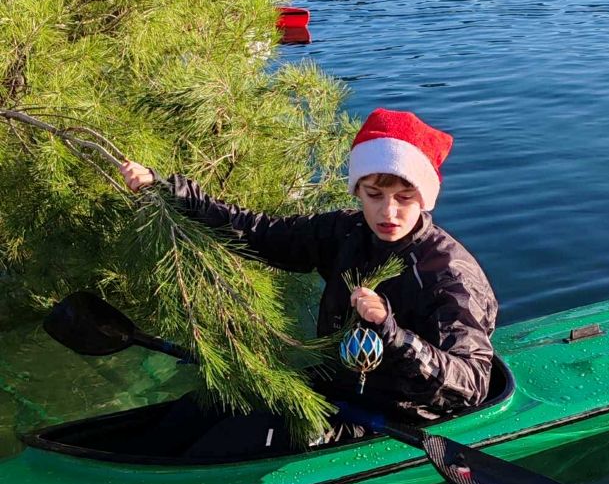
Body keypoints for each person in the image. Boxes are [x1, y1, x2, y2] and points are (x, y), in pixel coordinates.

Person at [120, 108, 498, 451]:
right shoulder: (347, 233)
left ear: (425, 198)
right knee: (202, 406)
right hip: (333, 388)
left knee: (238, 438)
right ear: (358, 191)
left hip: (397, 416)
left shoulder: (448, 274)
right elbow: (260, 233)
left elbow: (472, 385)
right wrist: (172, 193)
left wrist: (393, 333)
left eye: (404, 197)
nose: (388, 212)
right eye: (374, 194)